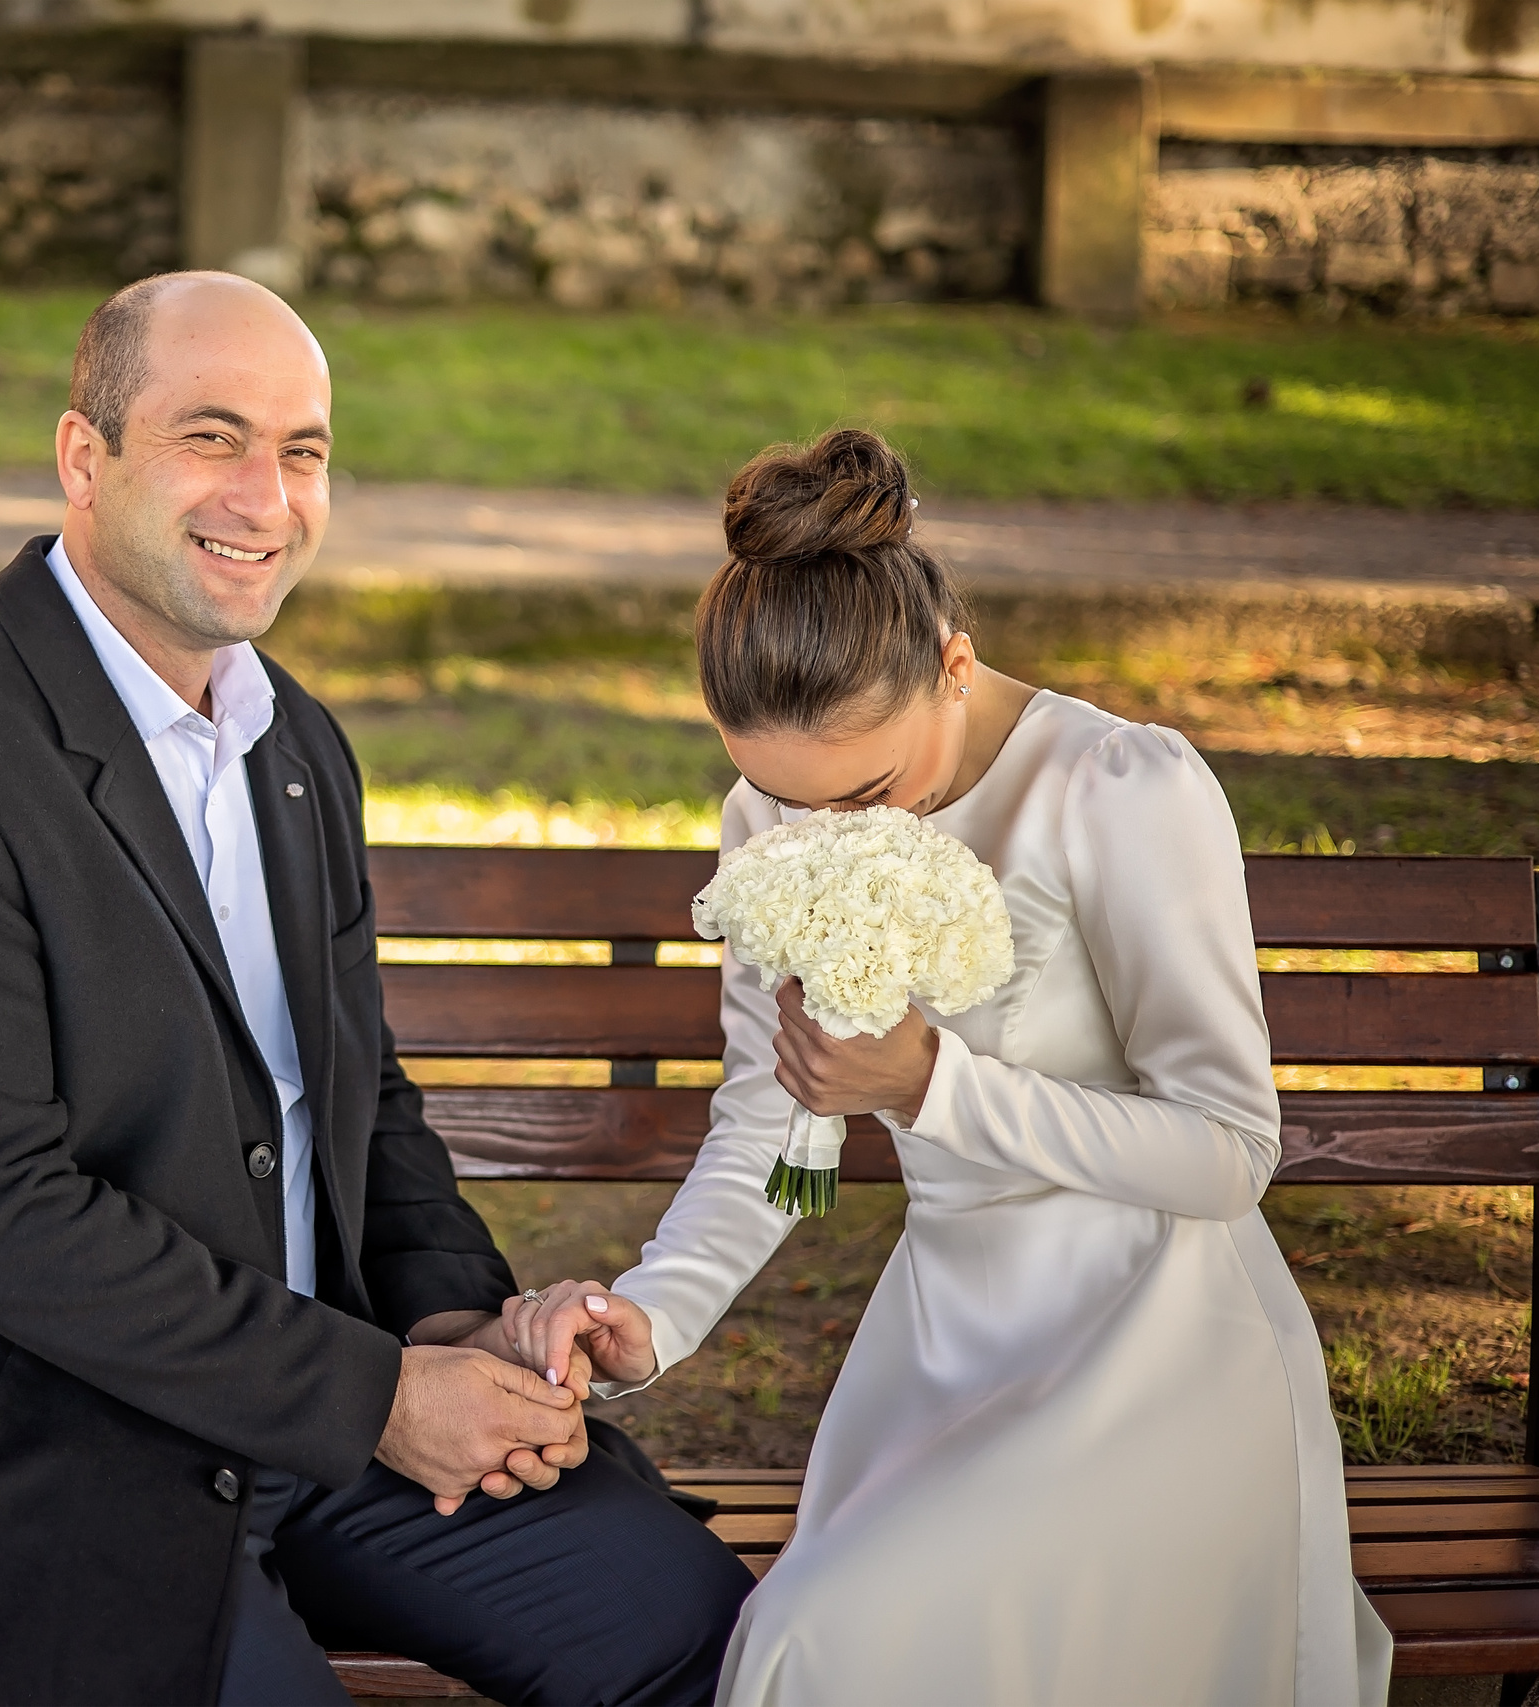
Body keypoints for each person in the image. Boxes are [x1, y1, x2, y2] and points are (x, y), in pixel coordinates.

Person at [0, 271, 757, 1706]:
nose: (267, 495)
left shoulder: (292, 743)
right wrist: (382, 1397)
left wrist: (465, 1326)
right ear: (83, 458)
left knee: (715, 1640)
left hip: (318, 1418)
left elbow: (357, 1092)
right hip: (42, 1462)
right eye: (212, 438)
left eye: (305, 450)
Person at [509, 428, 1392, 1707]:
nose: (822, 833)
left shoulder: (1113, 787)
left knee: (851, 1645)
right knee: (806, 1639)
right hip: (944, 1339)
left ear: (953, 664)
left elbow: (1228, 1155)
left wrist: (932, 1087)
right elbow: (771, 1119)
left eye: (865, 789)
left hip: (1161, 1347)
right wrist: (655, 1320)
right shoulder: (772, 811)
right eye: (777, 799)